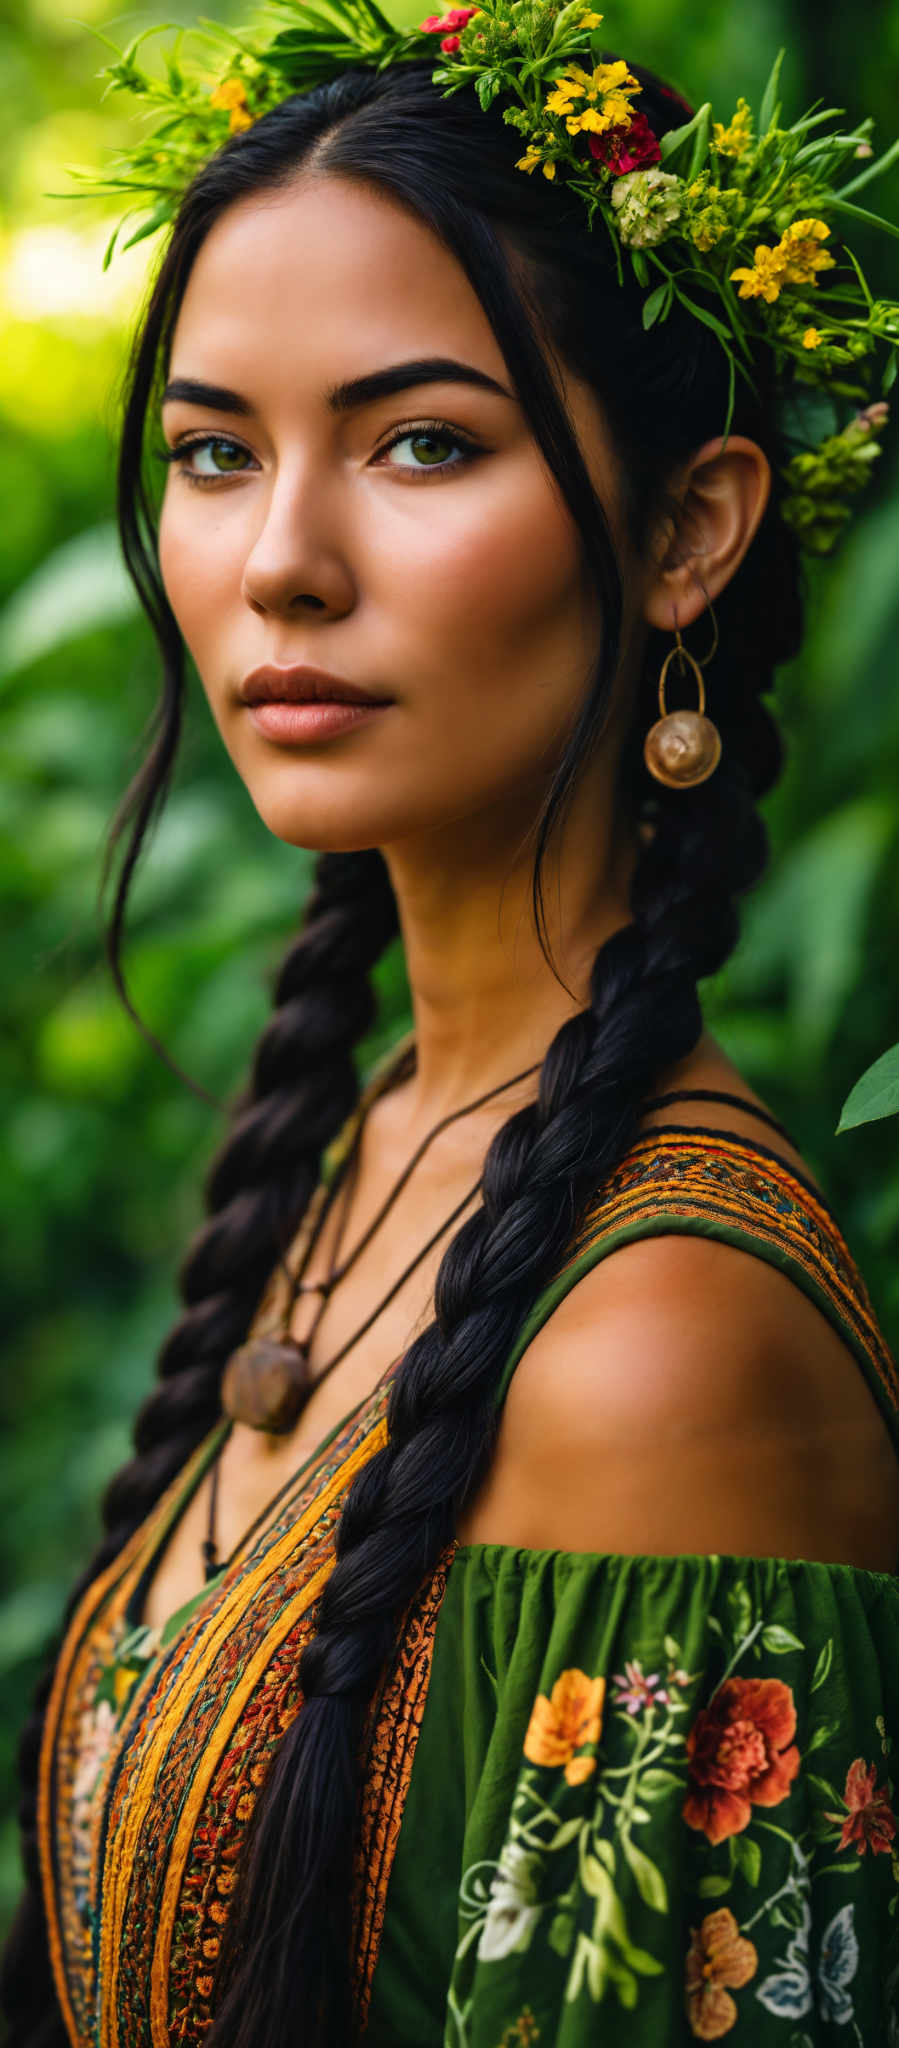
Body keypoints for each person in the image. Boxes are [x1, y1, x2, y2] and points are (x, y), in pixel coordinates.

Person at [4, 8, 899, 2043]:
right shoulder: (406, 1135)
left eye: (422, 442)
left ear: (690, 528)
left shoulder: (664, 1348)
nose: (279, 565)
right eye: (215, 453)